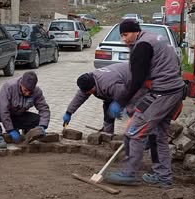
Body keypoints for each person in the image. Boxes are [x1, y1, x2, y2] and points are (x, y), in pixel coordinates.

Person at [105, 20, 185, 187]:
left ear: (135, 32)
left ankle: (129, 173)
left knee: (134, 132)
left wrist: (120, 102)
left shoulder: (142, 46)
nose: (124, 40)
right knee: (158, 135)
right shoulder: (156, 39)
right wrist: (132, 106)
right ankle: (163, 176)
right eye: (121, 36)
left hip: (162, 93)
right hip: (174, 91)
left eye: (125, 35)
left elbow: (137, 81)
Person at [63, 63, 133, 134]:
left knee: (131, 109)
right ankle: (107, 134)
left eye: (88, 92)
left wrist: (118, 103)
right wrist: (69, 112)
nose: (87, 93)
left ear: (93, 87)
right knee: (108, 107)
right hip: (118, 82)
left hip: (133, 77)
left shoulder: (108, 84)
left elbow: (125, 94)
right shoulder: (87, 81)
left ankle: (136, 130)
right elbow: (80, 97)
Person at [0, 71, 50, 149]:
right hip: (3, 115)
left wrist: (42, 126)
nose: (27, 93)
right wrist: (10, 130)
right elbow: (4, 110)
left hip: (18, 115)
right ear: (21, 84)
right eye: (25, 90)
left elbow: (44, 109)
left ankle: (27, 132)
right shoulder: (9, 87)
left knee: (38, 119)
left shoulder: (37, 91)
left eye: (30, 91)